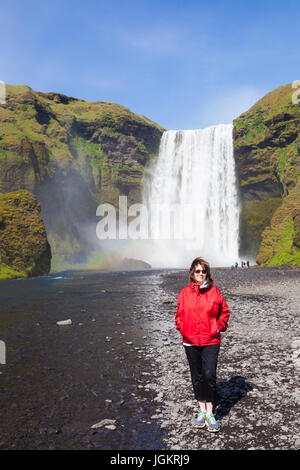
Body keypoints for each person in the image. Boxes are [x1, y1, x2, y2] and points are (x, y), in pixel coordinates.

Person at [175, 257, 230, 433]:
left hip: (211, 340)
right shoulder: (184, 292)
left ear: (207, 273)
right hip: (190, 341)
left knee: (209, 374)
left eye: (203, 271)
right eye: (197, 271)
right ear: (192, 272)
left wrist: (218, 327)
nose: (200, 274)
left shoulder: (214, 292)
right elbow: (179, 314)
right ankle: (202, 410)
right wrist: (181, 328)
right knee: (197, 376)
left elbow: (225, 312)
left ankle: (210, 412)